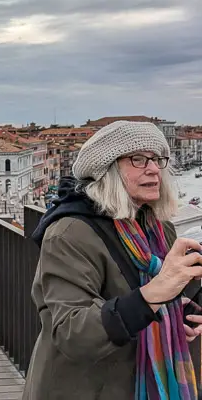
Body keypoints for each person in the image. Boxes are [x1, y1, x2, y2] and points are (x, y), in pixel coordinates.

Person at [23, 121, 202, 399]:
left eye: (157, 159)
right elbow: (72, 332)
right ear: (107, 171)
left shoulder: (157, 225)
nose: (154, 168)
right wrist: (153, 295)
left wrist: (189, 312)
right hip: (86, 388)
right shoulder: (69, 233)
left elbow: (171, 298)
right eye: (138, 159)